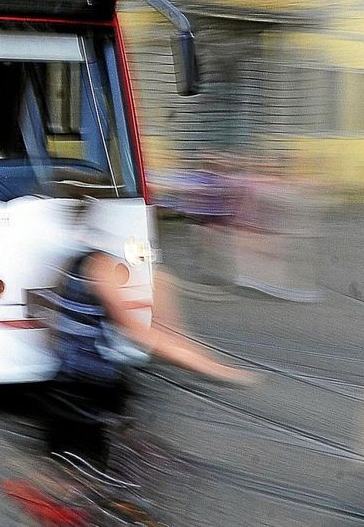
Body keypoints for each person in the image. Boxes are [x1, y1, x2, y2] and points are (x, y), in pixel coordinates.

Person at [47, 200, 255, 469]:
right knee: (92, 470)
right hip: (87, 384)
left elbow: (53, 326)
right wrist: (213, 369)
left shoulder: (75, 261)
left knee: (96, 455)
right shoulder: (100, 266)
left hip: (74, 379)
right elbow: (140, 334)